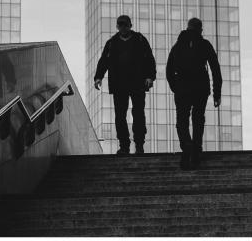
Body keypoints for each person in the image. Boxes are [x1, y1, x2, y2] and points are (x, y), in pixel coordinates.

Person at [94, 15, 156, 155]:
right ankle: (124, 146)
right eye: (120, 25)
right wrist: (98, 77)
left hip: (137, 83)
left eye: (125, 25)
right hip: (119, 84)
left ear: (130, 25)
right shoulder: (112, 43)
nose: (123, 27)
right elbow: (103, 61)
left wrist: (150, 77)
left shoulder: (139, 40)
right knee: (120, 116)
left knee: (138, 113)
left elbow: (149, 59)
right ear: (117, 26)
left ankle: (139, 144)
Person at [166, 17, 222, 170]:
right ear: (200, 29)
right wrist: (217, 93)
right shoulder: (204, 45)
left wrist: (175, 86)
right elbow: (215, 69)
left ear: (188, 28)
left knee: (182, 120)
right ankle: (196, 149)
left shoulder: (178, 45)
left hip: (183, 87)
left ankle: (187, 145)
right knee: (198, 119)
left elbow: (169, 69)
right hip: (200, 88)